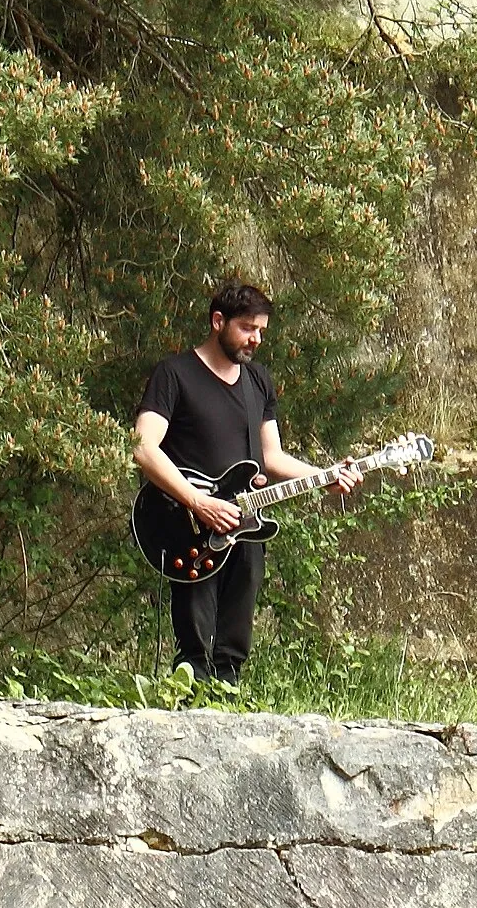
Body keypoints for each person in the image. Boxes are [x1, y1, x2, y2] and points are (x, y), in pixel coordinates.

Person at [133, 280, 362, 683]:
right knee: (195, 648)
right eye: (247, 328)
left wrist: (324, 477)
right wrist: (197, 502)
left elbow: (271, 458)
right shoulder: (175, 374)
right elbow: (143, 447)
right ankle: (191, 697)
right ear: (217, 321)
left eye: (261, 331)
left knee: (232, 646)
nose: (255, 339)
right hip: (188, 523)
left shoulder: (258, 381)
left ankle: (228, 694)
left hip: (245, 523)